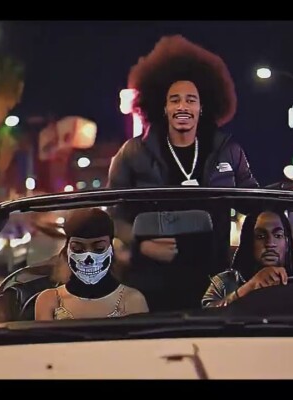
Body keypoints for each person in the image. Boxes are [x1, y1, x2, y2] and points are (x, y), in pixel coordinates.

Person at [107, 34, 258, 284]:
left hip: (214, 279)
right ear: (163, 107)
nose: (182, 107)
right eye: (174, 100)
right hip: (151, 279)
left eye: (191, 100)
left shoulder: (228, 150)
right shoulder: (132, 152)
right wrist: (140, 245)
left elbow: (253, 200)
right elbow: (114, 215)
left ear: (202, 107)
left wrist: (287, 192)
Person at [34, 208, 149, 321]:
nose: (88, 259)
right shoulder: (50, 300)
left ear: (111, 249)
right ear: (67, 251)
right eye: (78, 249)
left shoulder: (132, 300)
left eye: (99, 248)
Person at [201, 210, 292, 308]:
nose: (270, 243)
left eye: (278, 236)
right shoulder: (224, 282)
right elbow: (207, 313)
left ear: (287, 244)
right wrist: (249, 287)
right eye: (260, 236)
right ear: (248, 242)